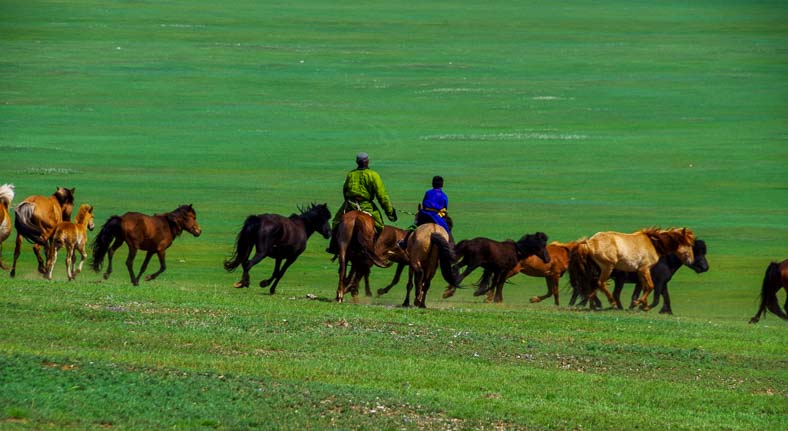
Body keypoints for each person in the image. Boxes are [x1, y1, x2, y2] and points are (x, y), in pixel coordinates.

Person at [326, 152, 397, 254]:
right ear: (367, 162)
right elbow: (382, 196)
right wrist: (390, 212)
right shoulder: (373, 175)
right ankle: (373, 248)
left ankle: (334, 248)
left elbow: (345, 191)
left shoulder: (351, 174)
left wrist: (349, 201)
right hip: (366, 206)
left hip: (350, 204)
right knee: (379, 225)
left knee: (336, 222)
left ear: (357, 162)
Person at [398, 176, 452, 249]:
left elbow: (424, 204)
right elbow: (444, 210)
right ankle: (450, 246)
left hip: (425, 215)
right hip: (437, 217)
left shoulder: (428, 193)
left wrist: (421, 211)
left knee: (415, 225)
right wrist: (438, 215)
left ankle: (404, 242)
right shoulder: (444, 196)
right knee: (447, 230)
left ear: (433, 184)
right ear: (442, 185)